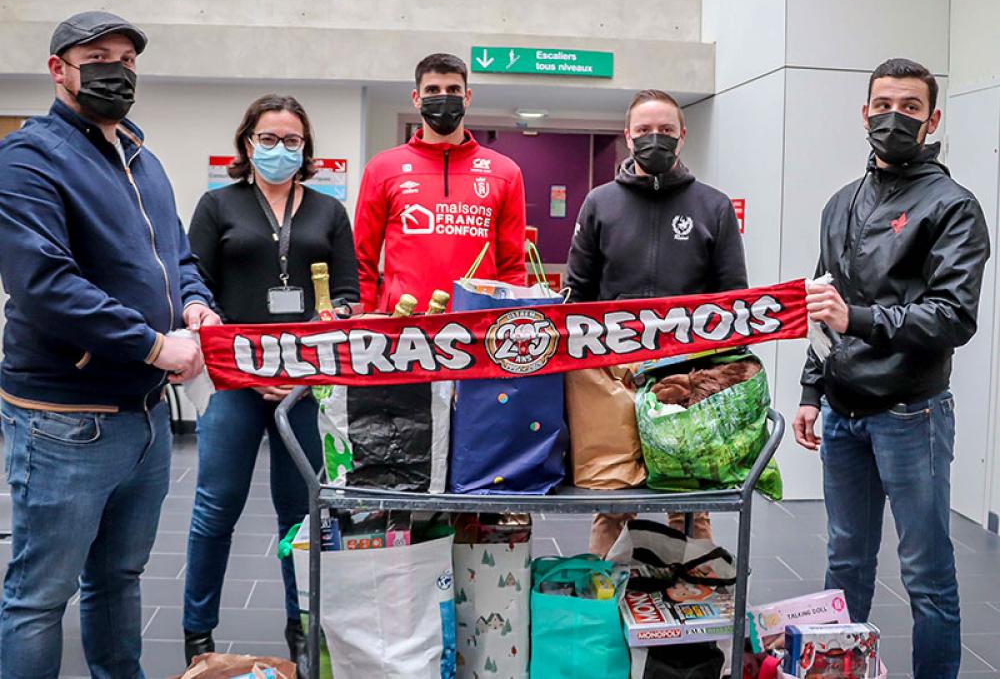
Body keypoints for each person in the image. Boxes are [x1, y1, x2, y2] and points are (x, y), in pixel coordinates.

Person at [0, 11, 217, 679]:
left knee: (119, 576)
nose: (114, 69)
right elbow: (44, 283)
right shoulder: (28, 158)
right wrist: (154, 346)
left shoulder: (141, 159)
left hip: (144, 419)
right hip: (65, 420)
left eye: (125, 59)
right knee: (40, 597)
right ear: (58, 68)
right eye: (96, 56)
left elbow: (173, 253)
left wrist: (195, 302)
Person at [793, 58, 990, 679]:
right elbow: (826, 303)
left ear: (932, 120)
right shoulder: (839, 204)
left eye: (910, 107)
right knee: (844, 562)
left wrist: (861, 319)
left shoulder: (953, 207)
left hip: (913, 416)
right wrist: (809, 389)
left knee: (926, 573)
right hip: (843, 415)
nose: (894, 117)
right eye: (883, 104)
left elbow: (952, 317)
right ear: (864, 112)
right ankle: (835, 670)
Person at [182, 95, 359, 665]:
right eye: (269, 138)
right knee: (216, 506)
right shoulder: (218, 205)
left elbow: (350, 295)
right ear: (247, 142)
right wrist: (197, 311)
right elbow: (194, 282)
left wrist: (306, 361)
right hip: (236, 378)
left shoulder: (328, 212)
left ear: (306, 149)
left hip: (303, 382)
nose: (280, 150)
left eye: (292, 141)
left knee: (301, 510)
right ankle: (198, 630)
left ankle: (301, 622)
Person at [565, 88, 748, 556]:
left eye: (665, 130)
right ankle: (600, 601)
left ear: (682, 136)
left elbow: (733, 302)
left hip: (690, 378)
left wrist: (723, 380)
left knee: (691, 505)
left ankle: (698, 604)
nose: (655, 139)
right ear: (627, 137)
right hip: (616, 375)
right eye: (644, 131)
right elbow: (578, 293)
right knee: (613, 499)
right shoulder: (599, 204)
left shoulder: (714, 206)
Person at [354, 52, 526, 312]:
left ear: (467, 98)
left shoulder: (505, 173)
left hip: (476, 325)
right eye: (433, 89)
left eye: (453, 89)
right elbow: (362, 260)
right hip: (403, 325)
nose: (443, 96)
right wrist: (362, 320)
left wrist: (509, 321)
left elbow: (512, 266)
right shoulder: (382, 169)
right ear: (416, 98)